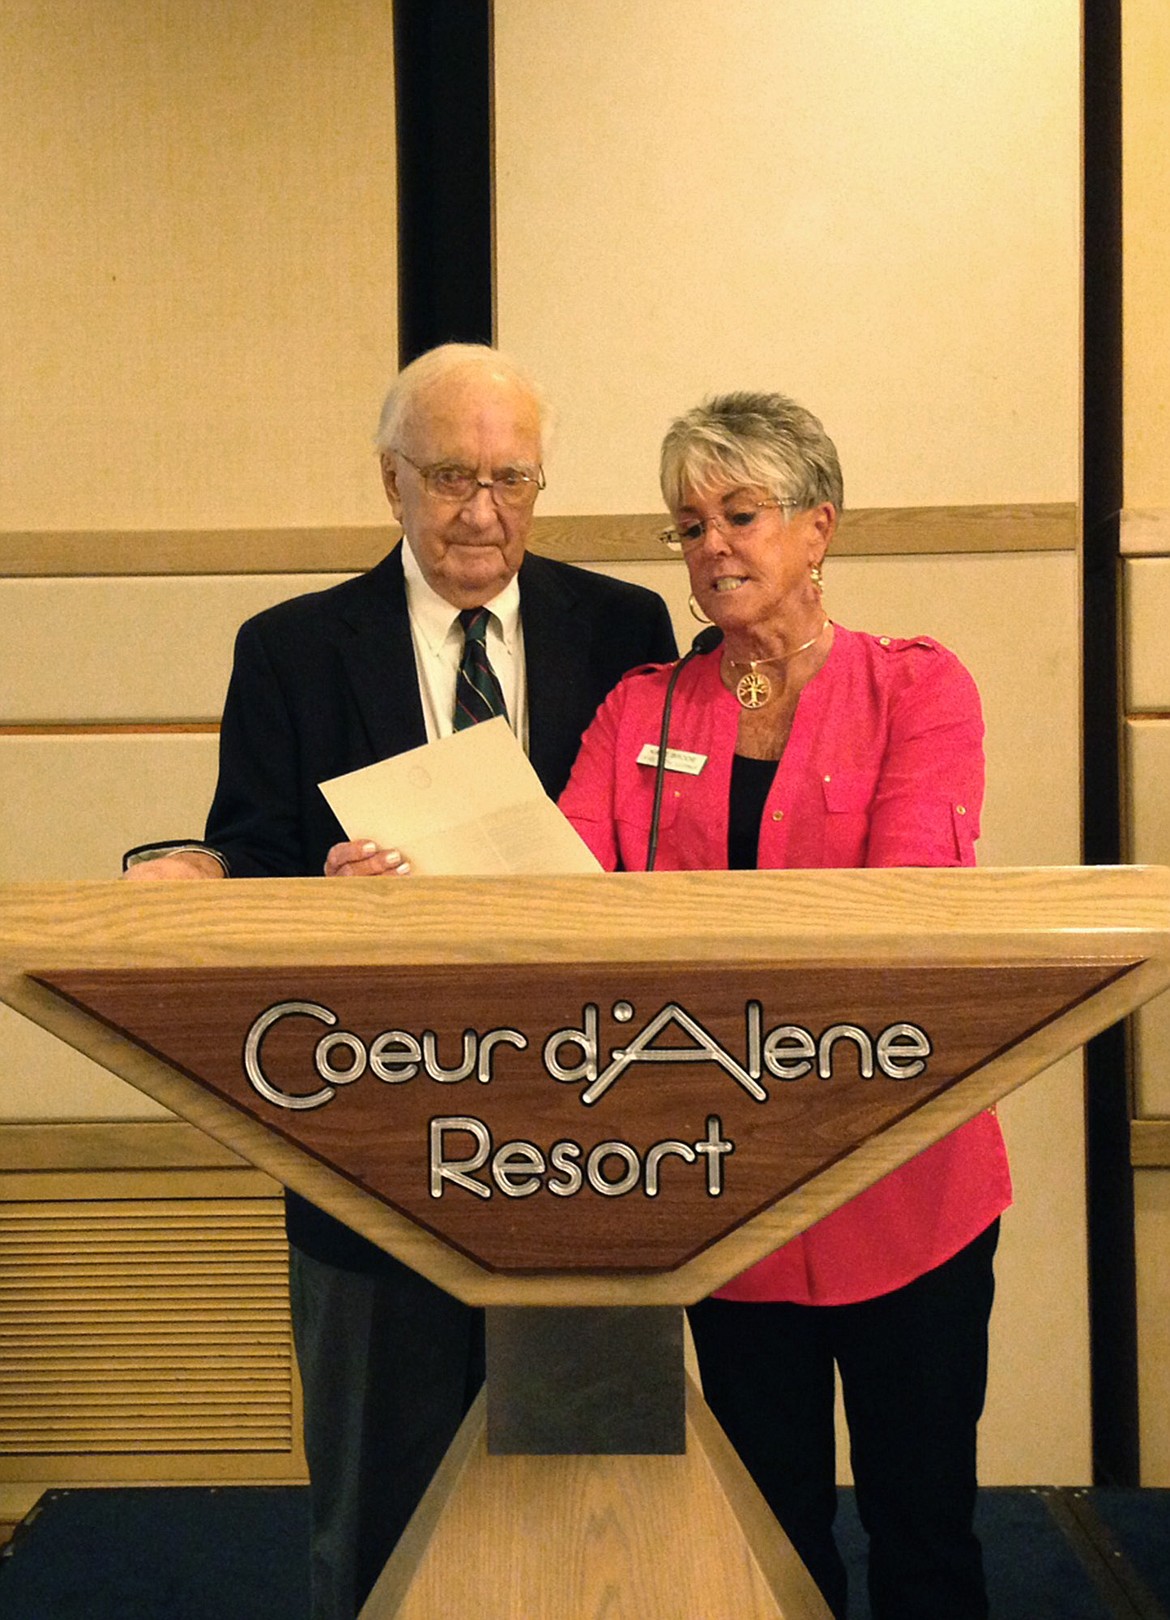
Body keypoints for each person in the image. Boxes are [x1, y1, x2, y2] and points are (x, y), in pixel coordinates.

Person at [124, 342, 677, 1619]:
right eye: (449, 477)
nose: (482, 512)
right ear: (390, 482)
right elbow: (250, 853)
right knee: (381, 1516)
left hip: (587, 1137)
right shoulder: (291, 649)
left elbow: (657, 854)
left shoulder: (625, 626)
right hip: (372, 1135)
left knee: (592, 1509)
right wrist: (310, 886)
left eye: (512, 478)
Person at [557, 391, 1011, 1620]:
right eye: (687, 524)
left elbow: (899, 912)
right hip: (725, 1185)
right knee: (767, 1530)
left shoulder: (919, 689)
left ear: (818, 528)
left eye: (740, 514)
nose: (711, 546)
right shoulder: (640, 708)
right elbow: (565, 903)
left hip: (904, 1177)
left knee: (925, 1523)